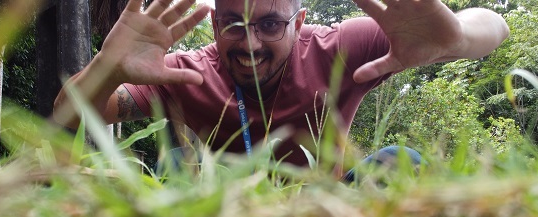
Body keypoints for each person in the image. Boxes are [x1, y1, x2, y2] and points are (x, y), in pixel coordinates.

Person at [54, 0, 509, 178]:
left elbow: (496, 24)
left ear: (300, 22)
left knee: (400, 163)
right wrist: (108, 68)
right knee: (173, 164)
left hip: (333, 205)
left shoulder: (340, 47)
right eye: (233, 25)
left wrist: (455, 38)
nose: (250, 44)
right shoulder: (186, 72)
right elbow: (68, 114)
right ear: (214, 24)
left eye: (270, 24)